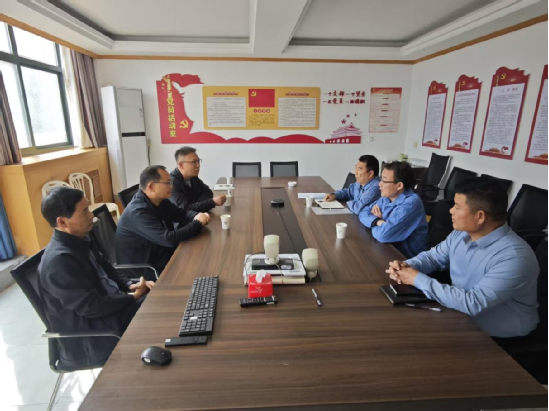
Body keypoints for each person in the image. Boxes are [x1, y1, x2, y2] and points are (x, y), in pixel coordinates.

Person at [387, 178, 539, 339]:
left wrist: (417, 279)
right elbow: (433, 258)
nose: (451, 211)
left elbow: (473, 303)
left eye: (457, 207)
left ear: (480, 217)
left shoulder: (515, 257)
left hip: (497, 336)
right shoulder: (461, 234)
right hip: (458, 313)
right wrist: (407, 266)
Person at [38, 187, 154, 369]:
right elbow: (92, 307)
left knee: (158, 296)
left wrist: (129, 285)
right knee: (157, 310)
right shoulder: (59, 262)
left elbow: (108, 268)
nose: (91, 215)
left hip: (110, 312)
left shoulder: (80, 239)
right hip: (96, 334)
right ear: (62, 221)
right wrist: (132, 298)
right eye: (84, 211)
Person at [116, 165, 210, 275]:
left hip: (159, 252)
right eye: (168, 183)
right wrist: (197, 222)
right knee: (198, 267)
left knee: (202, 256)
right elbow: (169, 239)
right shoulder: (138, 212)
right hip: (146, 270)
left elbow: (181, 213)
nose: (171, 187)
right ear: (151, 186)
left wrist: (197, 215)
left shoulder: (159, 201)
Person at [359, 161, 429, 258]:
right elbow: (363, 213)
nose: (379, 184)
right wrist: (378, 221)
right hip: (386, 248)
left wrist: (375, 224)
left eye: (384, 181)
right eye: (380, 179)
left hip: (406, 258)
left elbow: (383, 235)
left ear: (399, 185)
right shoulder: (386, 197)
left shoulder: (411, 203)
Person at [170, 146, 226, 212]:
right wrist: (211, 202)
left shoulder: (193, 177)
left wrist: (196, 205)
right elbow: (184, 209)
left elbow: (208, 191)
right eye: (194, 162)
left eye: (198, 161)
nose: (198, 165)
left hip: (197, 216)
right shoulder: (172, 183)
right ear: (181, 165)